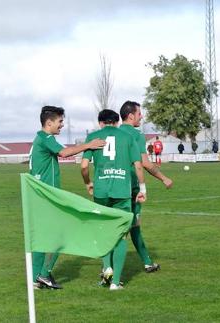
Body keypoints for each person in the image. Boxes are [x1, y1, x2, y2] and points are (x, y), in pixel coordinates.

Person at [29, 105, 106, 289]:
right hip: (47, 196)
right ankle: (44, 274)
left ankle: (36, 278)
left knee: (42, 237)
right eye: (60, 121)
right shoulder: (46, 138)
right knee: (61, 236)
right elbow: (64, 153)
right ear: (49, 123)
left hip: (40, 195)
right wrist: (89, 145)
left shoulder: (40, 139)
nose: (62, 125)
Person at [80, 109, 146, 291]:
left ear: (101, 122)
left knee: (103, 231)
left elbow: (84, 166)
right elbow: (138, 166)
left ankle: (106, 269)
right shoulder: (127, 137)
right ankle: (115, 282)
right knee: (121, 235)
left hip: (101, 191)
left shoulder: (93, 137)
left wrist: (88, 183)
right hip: (122, 191)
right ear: (117, 122)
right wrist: (142, 189)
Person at [119, 101, 173, 273]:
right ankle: (141, 264)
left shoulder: (114, 132)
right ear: (130, 115)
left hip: (113, 185)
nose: (141, 116)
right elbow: (145, 163)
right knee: (132, 225)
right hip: (131, 186)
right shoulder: (136, 135)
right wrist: (164, 178)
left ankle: (109, 267)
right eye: (139, 113)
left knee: (119, 226)